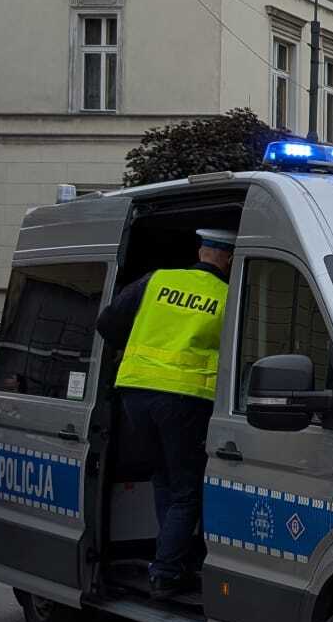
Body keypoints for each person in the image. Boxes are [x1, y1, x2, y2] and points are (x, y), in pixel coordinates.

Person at [95, 228, 235, 598]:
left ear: (202, 250)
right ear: (229, 258)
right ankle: (167, 571)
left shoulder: (157, 280)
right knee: (187, 490)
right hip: (185, 399)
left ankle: (166, 556)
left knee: (163, 479)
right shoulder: (228, 296)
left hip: (135, 393)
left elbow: (107, 323)